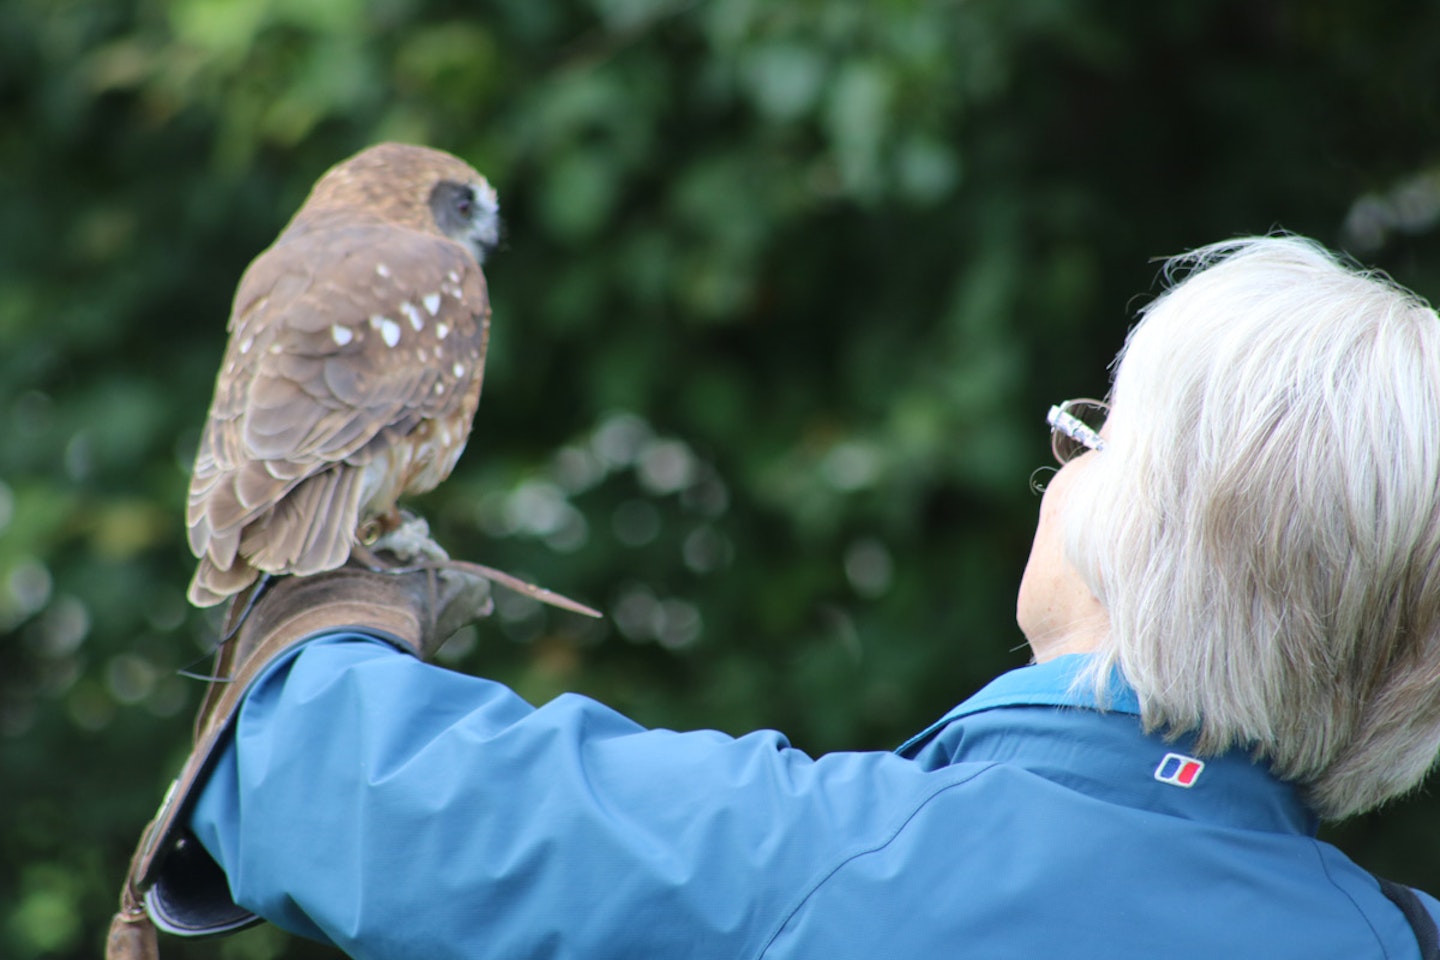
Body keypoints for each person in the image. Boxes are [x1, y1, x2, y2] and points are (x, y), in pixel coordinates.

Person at [112, 235, 1440, 959]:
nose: (1069, 460)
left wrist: (327, 591)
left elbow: (316, 779)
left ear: (1136, 520)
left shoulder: (806, 872)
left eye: (1094, 435)